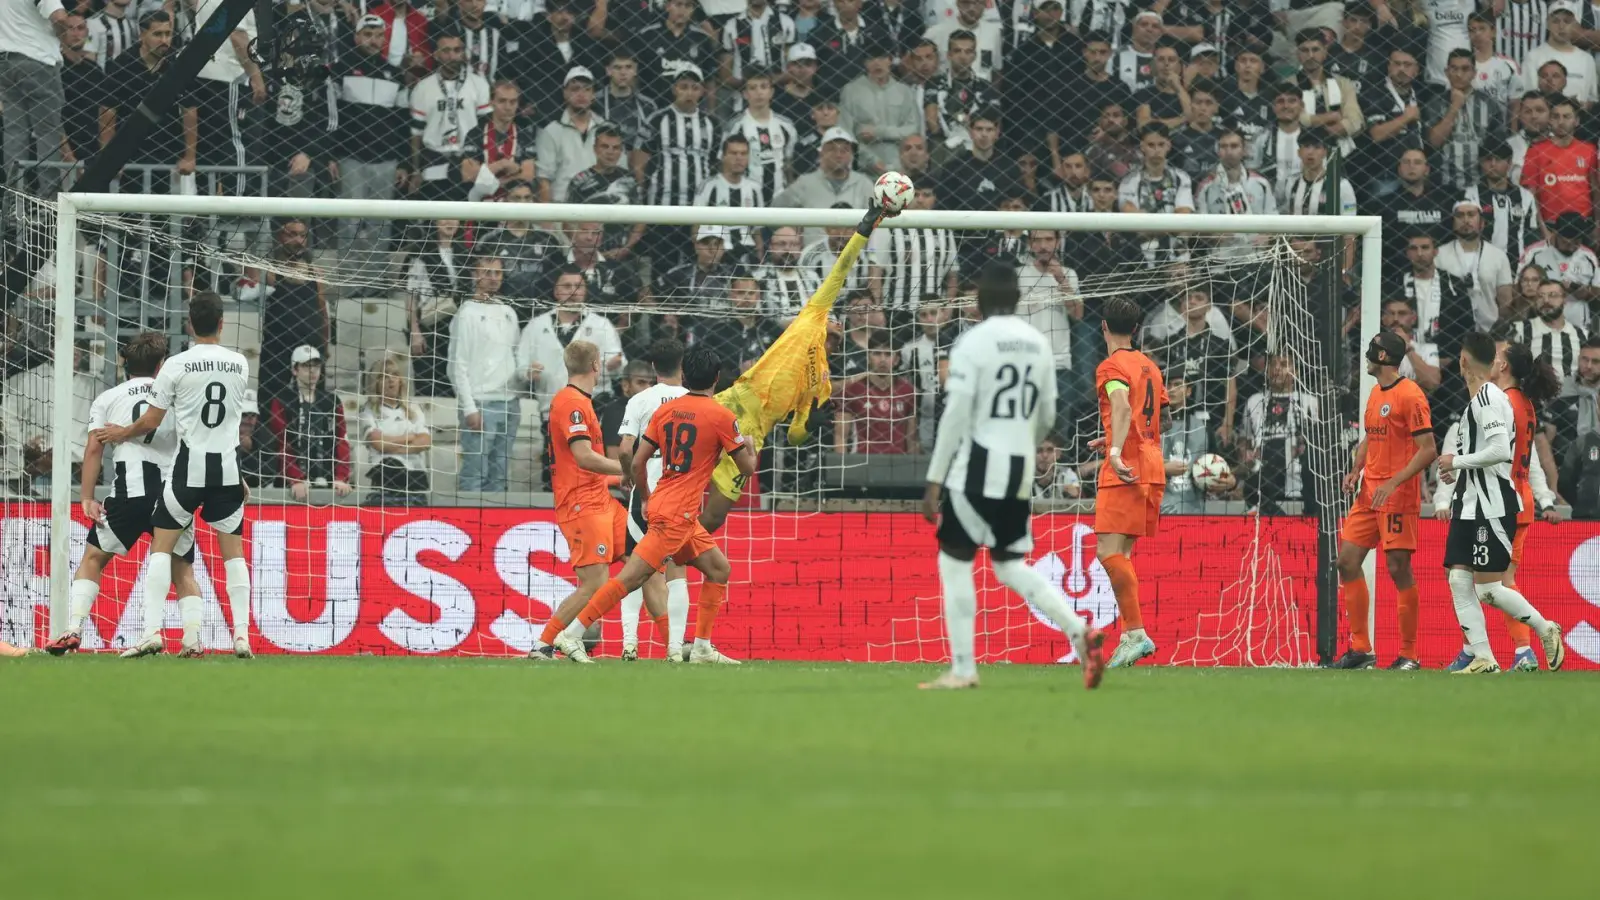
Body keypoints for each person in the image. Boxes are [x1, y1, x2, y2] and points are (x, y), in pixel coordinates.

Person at [918, 262, 1103, 691]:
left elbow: (957, 415)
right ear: (1018, 300)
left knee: (955, 560)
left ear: (979, 301)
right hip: (1020, 463)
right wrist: (1025, 443)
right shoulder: (1037, 343)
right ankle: (1079, 631)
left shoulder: (971, 342)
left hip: (979, 463)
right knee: (1007, 563)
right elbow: (1049, 415)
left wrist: (934, 479)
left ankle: (963, 670)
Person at [538, 347, 758, 665]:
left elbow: (637, 460)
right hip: (677, 514)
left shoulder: (666, 411)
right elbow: (747, 469)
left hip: (661, 503)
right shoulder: (722, 415)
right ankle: (571, 633)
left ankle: (700, 647)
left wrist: (643, 498)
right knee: (630, 578)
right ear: (717, 378)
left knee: (719, 569)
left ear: (686, 375)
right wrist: (748, 445)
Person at [698, 202, 898, 535]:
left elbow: (793, 436)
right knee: (679, 480)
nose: (836, 324)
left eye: (840, 326)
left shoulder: (823, 382)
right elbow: (842, 268)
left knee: (716, 517)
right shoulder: (811, 318)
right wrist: (865, 227)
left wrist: (813, 425)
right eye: (835, 318)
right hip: (730, 405)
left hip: (752, 436)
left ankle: (677, 552)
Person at [91, 294, 254, 659]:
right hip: (227, 470)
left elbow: (151, 421)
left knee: (162, 548)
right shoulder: (239, 364)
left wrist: (120, 433)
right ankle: (241, 637)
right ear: (223, 322)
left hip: (188, 473)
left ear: (190, 325)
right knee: (234, 555)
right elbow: (227, 424)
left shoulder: (176, 366)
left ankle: (151, 631)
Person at [46, 333, 202, 657]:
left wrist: (87, 497)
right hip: (172, 496)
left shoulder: (108, 398)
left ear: (123, 364)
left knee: (92, 559)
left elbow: (93, 449)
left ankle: (74, 627)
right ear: (161, 366)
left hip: (129, 495)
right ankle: (192, 640)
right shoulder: (175, 399)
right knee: (183, 569)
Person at [1435, 332, 1567, 673]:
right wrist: (1457, 472)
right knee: (1459, 581)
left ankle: (1544, 628)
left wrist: (1456, 463)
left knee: (1490, 589)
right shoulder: (1477, 399)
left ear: (1463, 361)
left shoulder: (1491, 398)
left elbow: (1498, 452)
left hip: (1491, 507)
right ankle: (1483, 657)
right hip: (1469, 503)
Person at [1328, 333, 1438, 670]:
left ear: (1383, 356)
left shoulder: (1411, 395)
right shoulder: (1377, 393)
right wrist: (1355, 469)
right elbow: (1370, 436)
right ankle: (1361, 649)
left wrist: (1393, 482)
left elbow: (1428, 449)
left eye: (1371, 351)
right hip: (1368, 493)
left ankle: (1409, 655)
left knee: (1398, 568)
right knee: (1346, 562)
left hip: (1397, 496)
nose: (1366, 356)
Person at [527, 341, 628, 662]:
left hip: (601, 500)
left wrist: (618, 478)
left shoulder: (579, 401)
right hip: (581, 505)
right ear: (597, 365)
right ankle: (544, 644)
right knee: (595, 581)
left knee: (647, 562)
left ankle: (669, 643)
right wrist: (629, 469)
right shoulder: (570, 404)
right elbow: (584, 458)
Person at [1092, 295, 1169, 669]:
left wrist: (1115, 450)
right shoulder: (1150, 366)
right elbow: (1160, 420)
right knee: (1120, 554)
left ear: (1103, 326)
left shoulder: (1111, 367)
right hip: (1152, 465)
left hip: (1127, 467)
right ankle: (1130, 636)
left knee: (1107, 553)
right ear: (1135, 329)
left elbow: (1122, 406)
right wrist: (1110, 437)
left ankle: (1136, 634)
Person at [610, 340, 692, 660]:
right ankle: (675, 648)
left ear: (654, 368)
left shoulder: (640, 400)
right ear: (681, 365)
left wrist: (629, 476)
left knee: (636, 566)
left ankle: (630, 644)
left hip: (648, 489)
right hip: (682, 493)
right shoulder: (696, 400)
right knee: (677, 568)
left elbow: (626, 448)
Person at [449, 255, 522, 493]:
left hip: (510, 404)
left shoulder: (509, 312)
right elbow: (456, 365)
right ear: (474, 275)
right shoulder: (466, 313)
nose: (492, 278)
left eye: (497, 273)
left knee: (500, 474)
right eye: (486, 272)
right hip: (481, 403)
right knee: (474, 471)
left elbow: (515, 355)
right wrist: (469, 408)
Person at [409, 33, 492, 202]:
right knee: (438, 219)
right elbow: (416, 133)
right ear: (436, 54)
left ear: (464, 53)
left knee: (469, 219)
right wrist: (416, 171)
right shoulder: (423, 88)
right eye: (446, 51)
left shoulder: (479, 84)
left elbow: (487, 128)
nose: (452, 55)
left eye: (457, 50)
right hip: (435, 158)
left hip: (469, 159)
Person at [268, 346, 354, 501]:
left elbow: (342, 441)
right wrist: (295, 478)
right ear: (295, 370)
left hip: (328, 479)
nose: (313, 370)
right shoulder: (282, 400)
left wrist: (341, 477)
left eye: (316, 366)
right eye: (307, 366)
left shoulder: (332, 401)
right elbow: (281, 442)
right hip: (290, 483)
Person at [1427, 49, 1506, 190]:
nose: (1459, 74)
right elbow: (1434, 142)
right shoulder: (1435, 103)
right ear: (1446, 72)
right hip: (1443, 185)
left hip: (1481, 185)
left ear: (1474, 73)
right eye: (1454, 69)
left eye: (1465, 69)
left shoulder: (1489, 104)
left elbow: (1497, 148)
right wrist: (1455, 106)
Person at [359, 353, 432, 506]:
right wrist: (410, 438)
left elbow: (425, 441)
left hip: (414, 475)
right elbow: (378, 443)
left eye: (394, 375)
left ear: (400, 380)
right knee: (391, 463)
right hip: (384, 475)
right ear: (376, 383)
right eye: (384, 376)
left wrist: (392, 446)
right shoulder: (368, 411)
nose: (391, 380)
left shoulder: (413, 408)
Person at [835, 330, 919, 454]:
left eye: (888, 354)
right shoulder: (852, 390)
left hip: (899, 464)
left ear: (896, 359)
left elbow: (912, 439)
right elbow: (840, 437)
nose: (882, 359)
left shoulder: (907, 391)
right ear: (868, 357)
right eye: (877, 354)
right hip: (862, 463)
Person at [1520, 94, 1597, 226]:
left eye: (1566, 116)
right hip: (1551, 224)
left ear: (1576, 121)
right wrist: (1543, 229)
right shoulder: (1536, 151)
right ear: (1549, 120)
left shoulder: (1589, 150)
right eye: (1556, 116)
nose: (1561, 122)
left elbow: (1596, 191)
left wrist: (1598, 225)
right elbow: (1530, 195)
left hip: (1585, 223)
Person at [1464, 137, 1542, 265]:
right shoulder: (1470, 195)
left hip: (1518, 267)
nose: (1493, 164)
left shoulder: (1526, 196)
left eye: (1498, 159)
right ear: (1481, 163)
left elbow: (1531, 237)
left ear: (1510, 162)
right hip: (1481, 266)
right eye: (1488, 159)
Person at [1510, 279, 1588, 379]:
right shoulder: (1519, 329)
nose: (1546, 300)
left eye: (1553, 295)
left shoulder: (1581, 334)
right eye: (1540, 296)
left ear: (1564, 300)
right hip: (1532, 393)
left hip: (1573, 393)